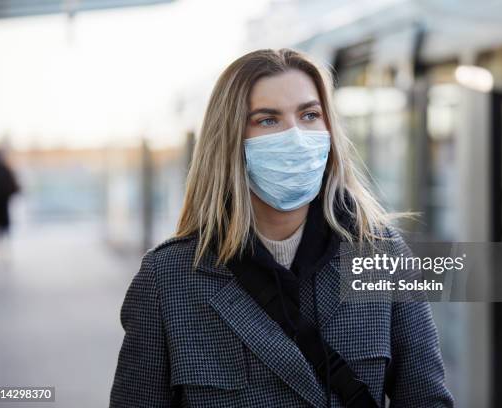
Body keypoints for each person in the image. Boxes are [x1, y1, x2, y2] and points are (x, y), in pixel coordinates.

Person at [110, 48, 454, 407]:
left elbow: (426, 398)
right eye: (268, 120)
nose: (296, 137)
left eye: (309, 115)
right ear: (229, 141)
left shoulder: (382, 254)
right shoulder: (168, 278)